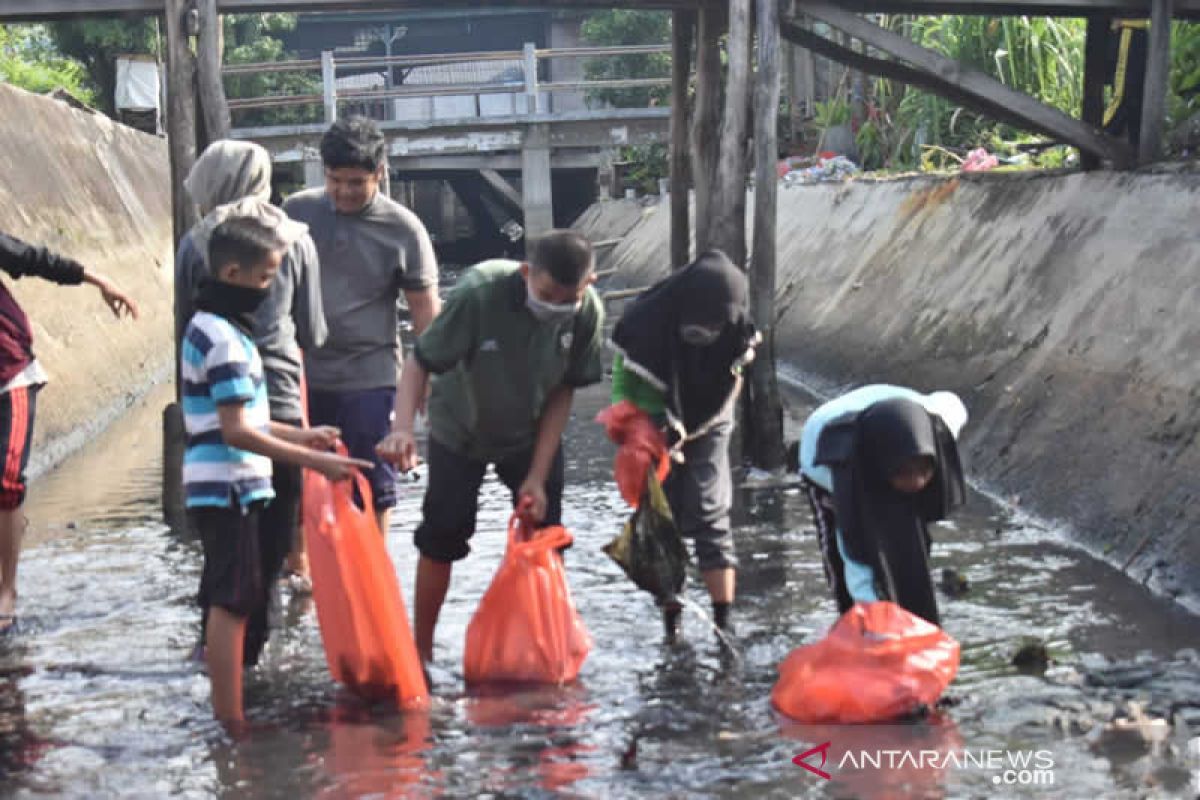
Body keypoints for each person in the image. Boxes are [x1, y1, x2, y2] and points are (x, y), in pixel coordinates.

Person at [376, 230, 604, 667]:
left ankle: (543, 647)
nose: (555, 306)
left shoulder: (585, 312)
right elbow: (420, 361)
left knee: (547, 537)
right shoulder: (479, 294)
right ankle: (420, 650)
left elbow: (563, 393)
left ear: (588, 284)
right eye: (546, 295)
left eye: (567, 298)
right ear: (526, 274)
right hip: (460, 427)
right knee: (442, 535)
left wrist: (537, 476)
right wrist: (403, 428)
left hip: (531, 433)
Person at [180, 201, 370, 724]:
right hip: (227, 485)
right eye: (266, 277)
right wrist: (316, 461)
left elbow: (252, 417)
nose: (270, 288)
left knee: (243, 590)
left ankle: (236, 694)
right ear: (233, 274)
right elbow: (237, 431)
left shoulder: (216, 326)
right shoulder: (222, 338)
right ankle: (229, 718)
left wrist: (303, 434)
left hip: (230, 482)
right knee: (233, 598)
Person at [177, 139, 327, 594]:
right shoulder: (296, 239)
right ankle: (290, 593)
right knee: (283, 518)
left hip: (213, 401)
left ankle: (222, 627)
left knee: (227, 538)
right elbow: (313, 330)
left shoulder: (196, 241)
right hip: (277, 386)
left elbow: (187, 324)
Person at [284, 116, 440, 536]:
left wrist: (428, 380)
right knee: (298, 480)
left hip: (370, 374)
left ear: (380, 173)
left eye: (356, 182)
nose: (343, 192)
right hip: (302, 372)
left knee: (371, 483)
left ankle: (374, 571)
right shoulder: (297, 213)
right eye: (335, 180)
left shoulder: (403, 230)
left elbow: (424, 309)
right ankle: (302, 575)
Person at [605, 250, 760, 641]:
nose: (704, 330)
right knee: (663, 516)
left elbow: (731, 384)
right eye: (697, 321)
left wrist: (688, 433)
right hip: (649, 418)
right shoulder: (646, 322)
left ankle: (723, 621)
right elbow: (625, 383)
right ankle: (671, 621)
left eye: (713, 324)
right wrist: (650, 428)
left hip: (710, 418)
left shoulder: (735, 331)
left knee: (708, 510)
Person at [0, 231, 139, 635]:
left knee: (6, 481)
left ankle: (6, 592)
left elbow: (33, 259)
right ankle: (12, 531)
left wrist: (99, 281)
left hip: (10, 378)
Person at [797, 385, 968, 626]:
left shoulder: (936, 428)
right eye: (906, 473)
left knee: (911, 542)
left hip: (894, 434)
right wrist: (877, 631)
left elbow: (953, 402)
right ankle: (850, 622)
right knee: (845, 553)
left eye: (924, 471)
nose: (917, 482)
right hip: (830, 457)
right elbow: (857, 562)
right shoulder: (839, 471)